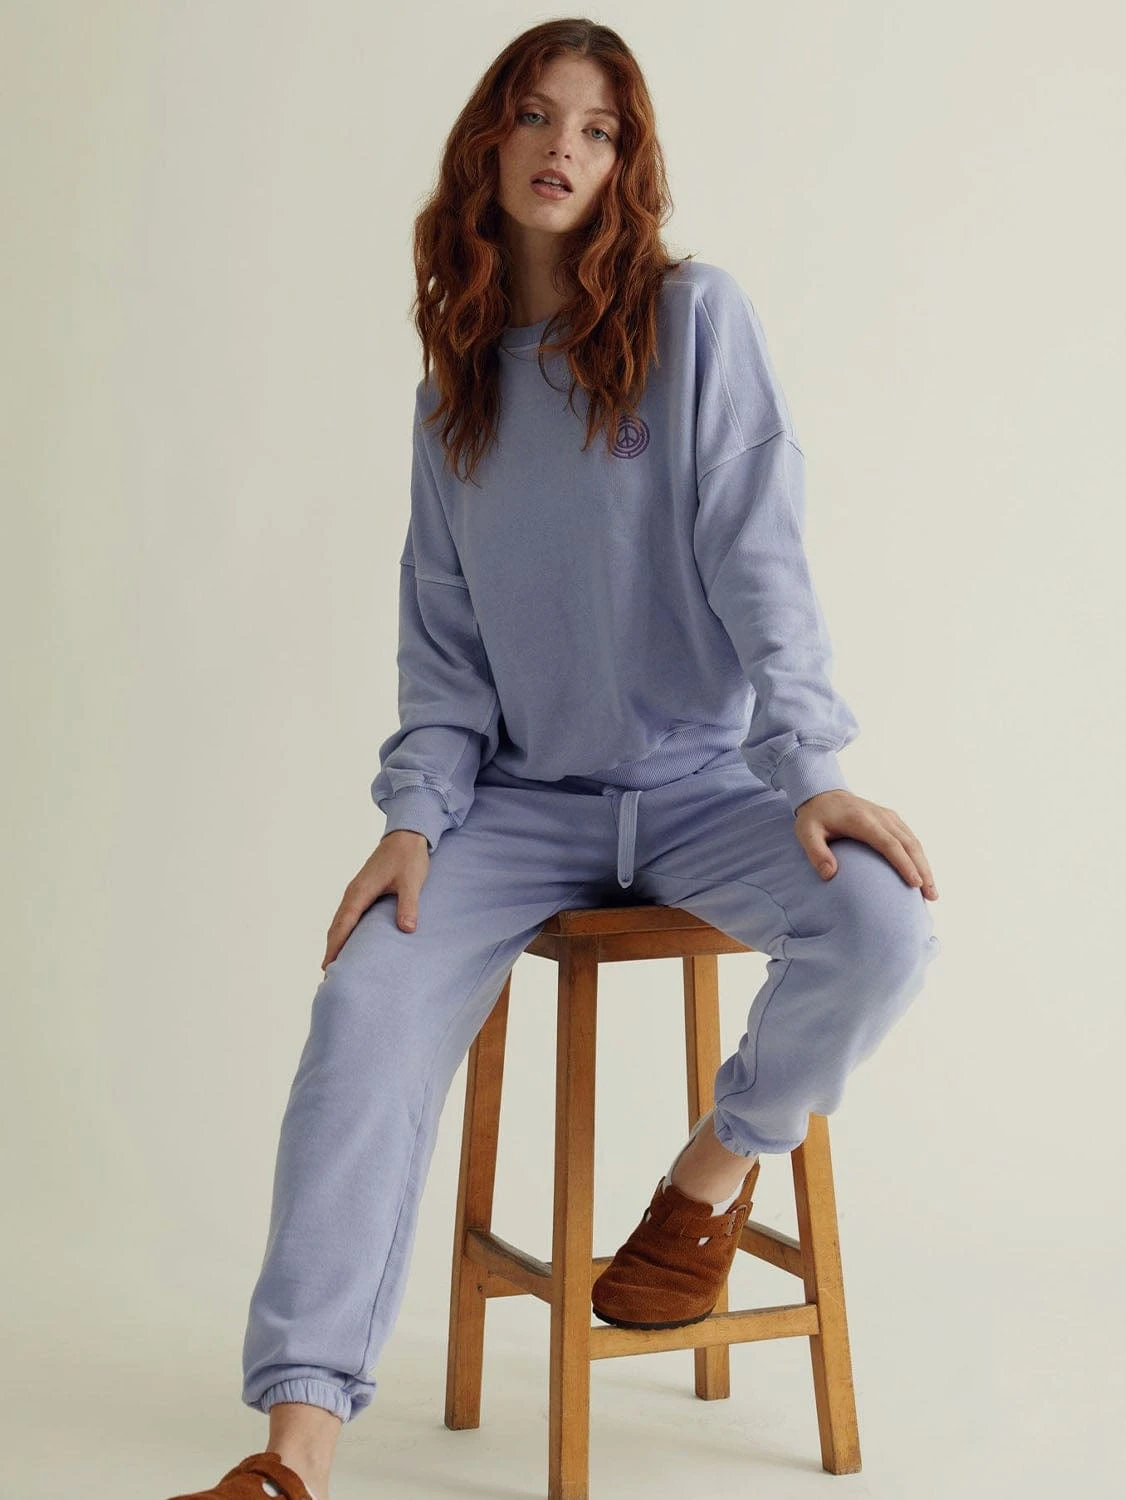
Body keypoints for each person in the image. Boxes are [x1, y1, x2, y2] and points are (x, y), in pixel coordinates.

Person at [168, 17, 940, 1500]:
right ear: (490, 140)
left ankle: (710, 1180)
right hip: (520, 809)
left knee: (885, 923)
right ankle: (291, 1451)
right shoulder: (455, 390)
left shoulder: (695, 320)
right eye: (535, 116)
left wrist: (813, 765)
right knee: (364, 1005)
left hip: (709, 790)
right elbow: (445, 647)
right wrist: (413, 820)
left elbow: (760, 556)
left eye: (598, 129)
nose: (562, 148)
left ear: (626, 163)